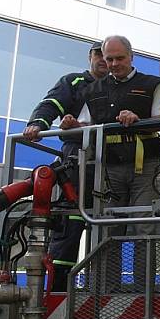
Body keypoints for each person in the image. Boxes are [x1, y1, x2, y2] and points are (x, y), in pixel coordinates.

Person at [62, 35, 160, 291]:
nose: (113, 63)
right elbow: (86, 125)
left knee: (145, 228)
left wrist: (138, 119)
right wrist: (73, 125)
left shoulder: (153, 84)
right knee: (107, 230)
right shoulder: (91, 90)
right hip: (108, 168)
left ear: (132, 57)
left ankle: (146, 294)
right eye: (109, 59)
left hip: (146, 166)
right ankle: (104, 292)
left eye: (119, 58)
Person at [23, 41, 108, 292]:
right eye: (98, 54)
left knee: (111, 221)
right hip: (77, 159)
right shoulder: (73, 82)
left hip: (113, 159)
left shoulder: (117, 86)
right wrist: (38, 124)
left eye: (108, 55)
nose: (103, 59)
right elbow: (51, 104)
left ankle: (104, 286)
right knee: (70, 219)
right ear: (89, 57)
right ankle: (58, 288)